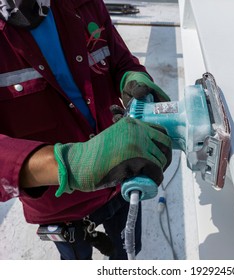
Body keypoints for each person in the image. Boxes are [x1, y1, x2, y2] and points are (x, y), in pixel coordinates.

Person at [0, 0, 172, 260]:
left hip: (121, 175)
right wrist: (70, 164)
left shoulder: (84, 3)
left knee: (126, 251)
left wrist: (135, 79)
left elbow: (120, 59)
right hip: (61, 206)